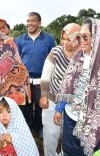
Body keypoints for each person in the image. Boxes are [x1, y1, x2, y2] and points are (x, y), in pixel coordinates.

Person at [54, 18, 100, 156]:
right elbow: (67, 85)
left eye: (85, 37)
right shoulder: (78, 56)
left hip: (92, 123)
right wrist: (59, 109)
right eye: (79, 37)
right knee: (69, 151)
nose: (81, 41)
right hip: (70, 117)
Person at [40, 23, 81, 156]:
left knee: (67, 135)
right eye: (63, 38)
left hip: (71, 104)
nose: (64, 42)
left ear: (77, 40)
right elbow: (46, 75)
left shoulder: (82, 56)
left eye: (68, 39)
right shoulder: (56, 52)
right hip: (52, 98)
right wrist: (44, 95)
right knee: (51, 133)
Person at [15, 12, 55, 138]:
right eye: (27, 21)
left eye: (32, 21)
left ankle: (39, 128)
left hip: (42, 81)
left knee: (40, 107)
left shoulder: (48, 39)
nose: (29, 23)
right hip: (25, 81)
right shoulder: (20, 40)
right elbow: (17, 60)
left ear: (39, 23)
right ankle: (27, 127)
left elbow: (53, 60)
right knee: (25, 106)